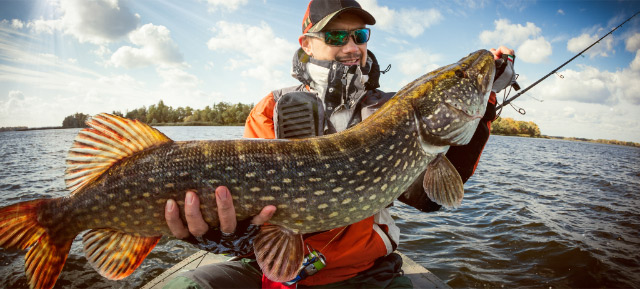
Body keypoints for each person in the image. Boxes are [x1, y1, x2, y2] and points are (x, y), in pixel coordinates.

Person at [163, 0, 516, 288]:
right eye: (335, 36)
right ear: (307, 43)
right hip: (267, 270)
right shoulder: (271, 108)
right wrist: (213, 236)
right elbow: (250, 208)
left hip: (365, 274)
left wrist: (486, 104)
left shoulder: (387, 111)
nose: (351, 47)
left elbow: (430, 200)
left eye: (360, 35)